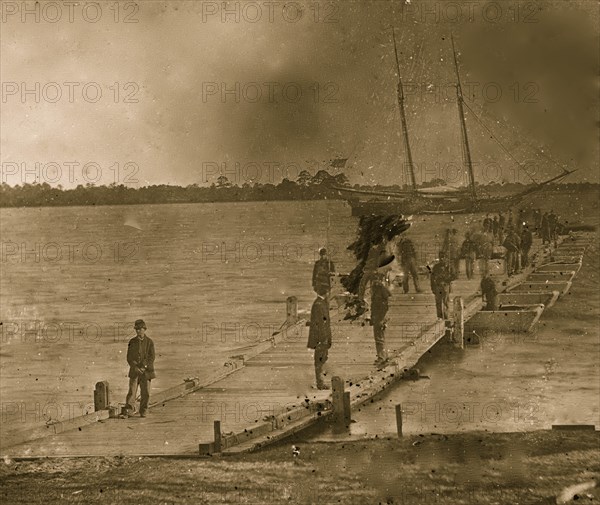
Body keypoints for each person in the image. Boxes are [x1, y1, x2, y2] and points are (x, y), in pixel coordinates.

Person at [124, 319, 156, 418]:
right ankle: (129, 410)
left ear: (144, 329)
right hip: (135, 370)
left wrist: (144, 366)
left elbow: (151, 357)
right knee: (132, 392)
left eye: (140, 329)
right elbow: (129, 357)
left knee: (146, 392)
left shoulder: (150, 342)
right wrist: (135, 367)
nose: (138, 331)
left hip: (146, 371)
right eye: (136, 329)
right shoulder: (132, 342)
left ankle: (144, 410)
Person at [370, 254, 395, 367]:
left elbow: (384, 306)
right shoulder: (377, 290)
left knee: (379, 338)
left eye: (375, 280)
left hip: (380, 317)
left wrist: (380, 318)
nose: (374, 283)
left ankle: (381, 357)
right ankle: (383, 356)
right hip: (377, 317)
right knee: (380, 337)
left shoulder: (379, 290)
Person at [307, 285, 332, 390]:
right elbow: (321, 323)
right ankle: (320, 383)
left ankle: (321, 382)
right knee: (319, 360)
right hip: (320, 338)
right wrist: (324, 338)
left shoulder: (319, 303)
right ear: (326, 293)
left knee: (322, 359)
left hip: (320, 337)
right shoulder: (319, 305)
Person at [430, 252, 454, 320]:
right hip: (438, 286)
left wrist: (447, 280)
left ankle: (446, 316)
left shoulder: (448, 267)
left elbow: (454, 275)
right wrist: (432, 288)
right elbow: (432, 278)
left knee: (446, 302)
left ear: (446, 258)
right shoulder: (436, 267)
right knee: (438, 302)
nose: (442, 259)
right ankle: (439, 316)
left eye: (444, 257)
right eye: (441, 258)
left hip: (445, 285)